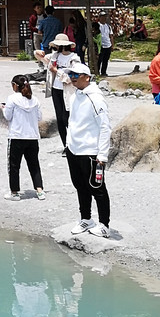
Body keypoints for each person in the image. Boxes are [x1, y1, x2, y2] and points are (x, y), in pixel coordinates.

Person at [64, 60, 112, 237]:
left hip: (90, 152)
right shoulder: (76, 95)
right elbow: (73, 121)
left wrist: (102, 154)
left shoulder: (96, 98)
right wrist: (69, 144)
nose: (72, 78)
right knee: (80, 186)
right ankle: (86, 219)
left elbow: (105, 126)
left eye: (75, 75)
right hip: (74, 150)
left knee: (97, 188)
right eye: (70, 75)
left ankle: (104, 225)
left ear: (86, 77)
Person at [1, 73, 45, 199]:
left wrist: (4, 108)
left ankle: (14, 192)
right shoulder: (35, 99)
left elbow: (7, 116)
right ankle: (39, 190)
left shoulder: (12, 98)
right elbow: (39, 117)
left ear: (15, 86)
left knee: (14, 165)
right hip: (32, 137)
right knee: (34, 164)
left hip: (17, 136)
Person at [44, 33, 75, 147]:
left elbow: (72, 77)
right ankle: (65, 145)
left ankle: (72, 143)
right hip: (56, 89)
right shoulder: (55, 56)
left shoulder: (74, 58)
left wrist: (56, 70)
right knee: (59, 119)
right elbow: (38, 55)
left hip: (68, 90)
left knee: (66, 117)